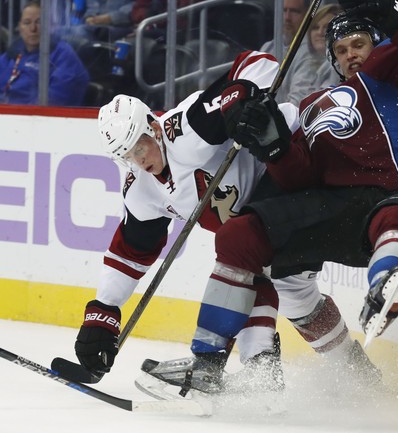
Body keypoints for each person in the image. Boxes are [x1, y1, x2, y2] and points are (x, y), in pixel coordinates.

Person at [142, 0, 398, 397]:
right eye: (341, 50)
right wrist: (271, 143)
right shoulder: (314, 106)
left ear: (376, 44)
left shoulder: (394, 68)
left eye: (359, 45)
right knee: (241, 235)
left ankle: (388, 279)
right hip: (344, 204)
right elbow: (301, 177)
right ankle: (207, 361)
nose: (351, 56)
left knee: (394, 216)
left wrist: (394, 18)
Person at [73, 49, 377, 398]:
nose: (139, 161)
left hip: (299, 155)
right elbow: (131, 252)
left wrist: (241, 102)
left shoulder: (188, 127)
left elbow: (258, 62)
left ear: (154, 128)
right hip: (268, 211)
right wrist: (102, 315)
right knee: (293, 292)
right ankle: (358, 375)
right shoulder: (138, 189)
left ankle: (258, 371)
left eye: (140, 147)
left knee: (246, 256)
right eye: (127, 156)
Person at [0, 0, 89, 106]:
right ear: (19, 27)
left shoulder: (64, 56)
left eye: (39, 22)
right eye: (27, 23)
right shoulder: (13, 53)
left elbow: (53, 103)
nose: (33, 28)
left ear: (50, 26)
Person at [259, 0, 315, 107]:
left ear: (307, 13)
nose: (287, 17)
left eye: (294, 11)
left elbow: (297, 103)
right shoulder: (268, 47)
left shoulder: (311, 50)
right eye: (284, 10)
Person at [305, 3, 343, 91]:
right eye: (315, 27)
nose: (320, 32)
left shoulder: (338, 67)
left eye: (326, 27)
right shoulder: (308, 64)